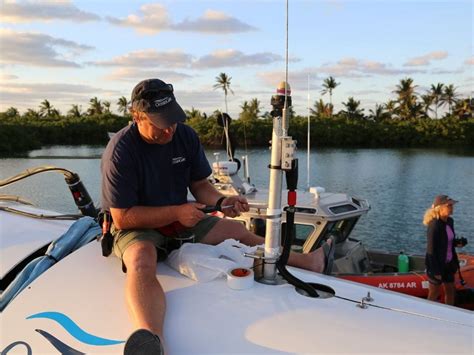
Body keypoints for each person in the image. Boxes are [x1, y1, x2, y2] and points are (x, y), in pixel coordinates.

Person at [101, 78, 333, 354]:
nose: (170, 130)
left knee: (238, 232)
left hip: (180, 218)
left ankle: (309, 262)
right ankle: (153, 339)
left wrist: (222, 201)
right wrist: (177, 211)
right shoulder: (120, 151)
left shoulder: (184, 136)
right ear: (137, 116)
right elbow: (123, 218)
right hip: (139, 224)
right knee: (141, 260)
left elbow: (199, 186)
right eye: (161, 123)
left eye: (173, 120)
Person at [423, 194, 460, 306]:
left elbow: (448, 241)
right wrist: (435, 271)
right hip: (436, 266)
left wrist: (458, 243)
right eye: (449, 206)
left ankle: (450, 316)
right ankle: (427, 317)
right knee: (434, 294)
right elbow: (431, 250)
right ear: (440, 208)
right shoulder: (434, 225)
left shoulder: (450, 221)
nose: (452, 208)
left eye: (452, 206)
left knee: (451, 292)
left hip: (448, 264)